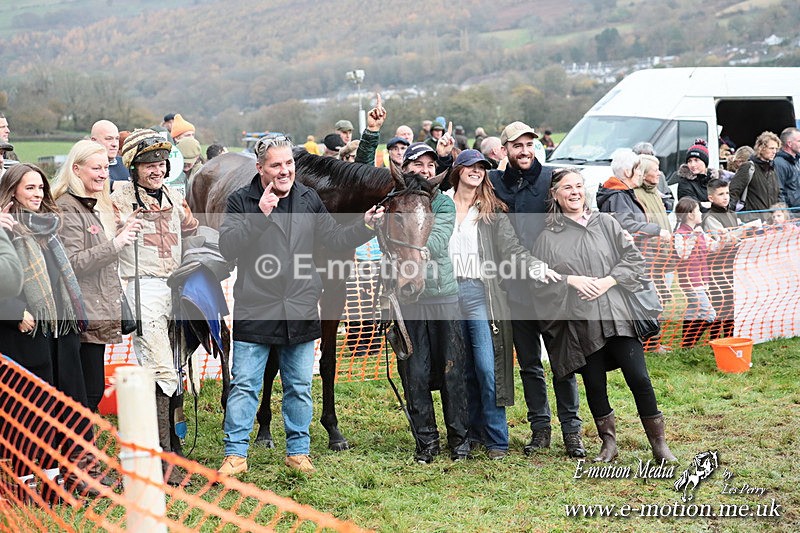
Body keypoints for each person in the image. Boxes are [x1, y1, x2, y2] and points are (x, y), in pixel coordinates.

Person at [217, 136, 382, 476]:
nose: (285, 171)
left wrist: (365, 225)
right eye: (276, 165)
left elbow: (334, 240)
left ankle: (298, 452)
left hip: (301, 305)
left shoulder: (309, 199)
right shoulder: (240, 201)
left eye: (289, 164)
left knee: (299, 387)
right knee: (246, 384)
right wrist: (259, 215)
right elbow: (228, 248)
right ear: (260, 168)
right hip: (257, 306)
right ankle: (235, 455)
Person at [531, 168, 677, 464]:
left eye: (579, 186)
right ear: (555, 195)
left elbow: (634, 258)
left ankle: (659, 445)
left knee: (639, 378)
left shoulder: (606, 223)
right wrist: (570, 281)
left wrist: (608, 281)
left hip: (617, 314)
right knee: (595, 384)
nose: (575, 192)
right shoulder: (547, 237)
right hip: (581, 323)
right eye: (567, 188)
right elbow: (539, 282)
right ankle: (608, 444)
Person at [445, 149, 558, 460]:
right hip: (448, 294)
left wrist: (534, 265)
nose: (477, 171)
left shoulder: (492, 210)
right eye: (471, 166)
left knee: (487, 366)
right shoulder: (440, 204)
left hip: (481, 293)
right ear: (458, 170)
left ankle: (497, 440)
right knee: (460, 369)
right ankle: (468, 435)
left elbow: (512, 248)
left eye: (482, 167)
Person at [488, 121, 585, 458]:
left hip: (553, 287)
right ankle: (540, 429)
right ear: (505, 151)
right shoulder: (494, 183)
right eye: (517, 146)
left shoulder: (551, 179)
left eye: (529, 144)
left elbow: (577, 213)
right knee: (529, 363)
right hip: (514, 289)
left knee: (563, 362)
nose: (525, 151)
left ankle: (572, 431)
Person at [0, 163, 97, 494]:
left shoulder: (48, 229)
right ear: (12, 190)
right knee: (30, 415)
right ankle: (27, 485)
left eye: (40, 188)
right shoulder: (6, 229)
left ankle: (65, 478)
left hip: (60, 331)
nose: (37, 194)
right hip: (23, 335)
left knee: (66, 409)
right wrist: (11, 311)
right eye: (29, 188)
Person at [111, 129, 199, 484]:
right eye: (149, 162)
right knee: (161, 369)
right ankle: (163, 457)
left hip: (174, 286)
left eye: (161, 162)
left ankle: (168, 446)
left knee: (175, 370)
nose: (157, 168)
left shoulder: (176, 196)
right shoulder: (117, 197)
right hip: (140, 287)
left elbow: (192, 229)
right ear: (134, 166)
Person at [52, 140, 141, 415]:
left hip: (93, 313)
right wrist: (116, 244)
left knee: (90, 391)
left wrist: (119, 231)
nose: (103, 174)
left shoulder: (87, 205)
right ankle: (75, 452)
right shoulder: (68, 208)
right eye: (96, 168)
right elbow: (72, 262)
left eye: (105, 168)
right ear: (76, 169)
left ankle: (78, 449)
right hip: (81, 315)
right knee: (84, 394)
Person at [396, 141, 470, 464]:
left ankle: (460, 442)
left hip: (443, 297)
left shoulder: (443, 204)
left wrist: (416, 252)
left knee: (452, 370)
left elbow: (439, 238)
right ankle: (426, 443)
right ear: (406, 169)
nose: (425, 170)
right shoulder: (394, 204)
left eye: (430, 165)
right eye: (418, 164)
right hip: (407, 300)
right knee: (414, 372)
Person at [674, 197, 734, 348]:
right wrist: (693, 238)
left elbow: (713, 247)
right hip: (690, 282)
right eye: (698, 210)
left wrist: (722, 239)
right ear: (690, 215)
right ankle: (694, 343)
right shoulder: (680, 234)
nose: (701, 213)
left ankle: (686, 345)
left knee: (692, 312)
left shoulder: (699, 232)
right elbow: (683, 254)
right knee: (710, 315)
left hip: (702, 280)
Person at [632, 154, 673, 353]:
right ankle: (651, 343)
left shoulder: (656, 192)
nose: (658, 173)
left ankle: (656, 340)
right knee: (651, 301)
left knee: (662, 299)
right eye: (654, 169)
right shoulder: (638, 195)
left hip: (663, 254)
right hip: (649, 256)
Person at [597, 149, 671, 244]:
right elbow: (625, 224)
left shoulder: (624, 194)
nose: (640, 173)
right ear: (627, 172)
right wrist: (656, 230)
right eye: (638, 169)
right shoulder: (617, 196)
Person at [702, 179, 740, 341]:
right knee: (720, 303)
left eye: (727, 193)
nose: (726, 197)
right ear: (711, 198)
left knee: (731, 303)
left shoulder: (732, 213)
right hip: (717, 267)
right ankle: (716, 338)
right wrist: (740, 234)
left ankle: (730, 336)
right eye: (721, 194)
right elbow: (723, 238)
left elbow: (737, 232)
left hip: (733, 265)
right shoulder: (710, 217)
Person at [729, 131, 781, 222]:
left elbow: (778, 195)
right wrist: (729, 218)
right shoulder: (748, 167)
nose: (774, 152)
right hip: (753, 223)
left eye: (776, 149)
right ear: (761, 148)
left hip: (770, 222)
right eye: (771, 148)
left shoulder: (772, 169)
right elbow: (733, 192)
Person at [90, 119, 129, 192]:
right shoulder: (83, 164)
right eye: (109, 139)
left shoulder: (126, 164)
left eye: (117, 139)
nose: (114, 144)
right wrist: (111, 185)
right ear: (94, 140)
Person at [677, 139, 713, 209]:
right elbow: (691, 207)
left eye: (696, 160)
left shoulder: (714, 179)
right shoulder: (684, 182)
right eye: (689, 161)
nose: (692, 164)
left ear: (705, 162)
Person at [774, 127, 800, 214]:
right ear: (789, 143)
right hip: (792, 213)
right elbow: (779, 191)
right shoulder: (779, 163)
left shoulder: (797, 160)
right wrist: (786, 214)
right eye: (799, 141)